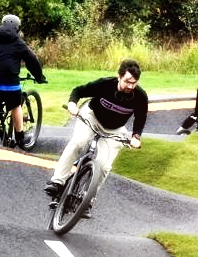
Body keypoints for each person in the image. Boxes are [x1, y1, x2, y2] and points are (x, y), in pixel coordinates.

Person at [44, 59, 148, 214]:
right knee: (78, 143)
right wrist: (73, 104)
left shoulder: (140, 96)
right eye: (127, 82)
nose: (130, 86)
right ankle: (57, 182)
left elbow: (141, 117)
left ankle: (87, 200)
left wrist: (136, 137)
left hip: (114, 130)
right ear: (119, 77)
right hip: (91, 117)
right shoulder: (105, 84)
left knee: (104, 166)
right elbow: (78, 91)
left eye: (134, 83)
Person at [0, 14, 46, 147]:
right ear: (17, 29)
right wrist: (39, 77)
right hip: (10, 85)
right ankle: (20, 137)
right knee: (15, 106)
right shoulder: (18, 43)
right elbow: (32, 61)